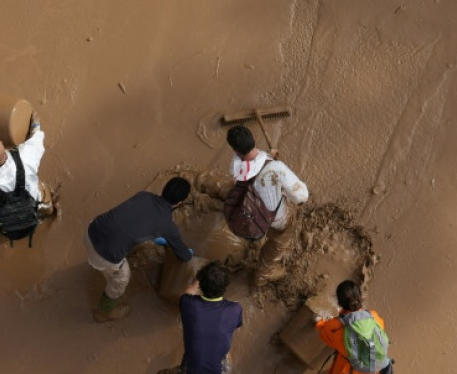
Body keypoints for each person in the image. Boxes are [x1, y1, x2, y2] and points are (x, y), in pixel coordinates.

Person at [86, 177, 193, 322]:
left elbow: (133, 221)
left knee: (122, 238)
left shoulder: (144, 195)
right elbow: (184, 255)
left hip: (92, 229)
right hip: (104, 255)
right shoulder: (167, 226)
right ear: (179, 203)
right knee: (121, 279)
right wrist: (188, 253)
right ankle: (105, 312)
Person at [226, 125, 309, 286]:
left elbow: (253, 168)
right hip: (275, 218)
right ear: (254, 140)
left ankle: (256, 238)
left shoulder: (235, 165)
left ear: (235, 150)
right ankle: (263, 274)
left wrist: (269, 158)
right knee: (282, 237)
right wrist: (275, 165)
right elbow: (301, 196)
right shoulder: (275, 169)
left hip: (248, 211)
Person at [158, 261, 243, 374]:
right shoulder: (235, 308)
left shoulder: (188, 303)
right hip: (218, 371)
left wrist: (199, 276)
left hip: (190, 369)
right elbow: (236, 326)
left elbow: (190, 290)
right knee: (225, 352)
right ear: (225, 286)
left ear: (201, 284)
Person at [315, 280, 392, 374]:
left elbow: (324, 333)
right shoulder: (374, 316)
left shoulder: (334, 327)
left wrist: (319, 320)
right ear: (360, 297)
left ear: (339, 303)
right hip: (374, 369)